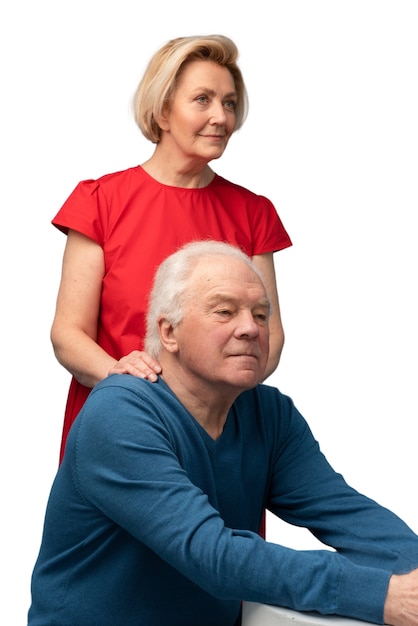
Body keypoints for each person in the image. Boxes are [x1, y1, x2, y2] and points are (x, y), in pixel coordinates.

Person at [29, 240, 418, 626]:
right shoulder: (120, 413)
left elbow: (347, 515)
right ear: (168, 332)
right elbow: (212, 555)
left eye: (261, 315)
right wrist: (379, 595)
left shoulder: (270, 414)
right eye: (225, 312)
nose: (250, 328)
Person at [50, 34, 292, 463]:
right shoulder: (100, 201)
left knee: (215, 532)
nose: (221, 116)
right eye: (203, 99)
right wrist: (126, 380)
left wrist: (204, 399)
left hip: (217, 432)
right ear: (163, 110)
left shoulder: (254, 212)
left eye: (230, 103)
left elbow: (267, 341)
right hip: (116, 425)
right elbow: (69, 335)